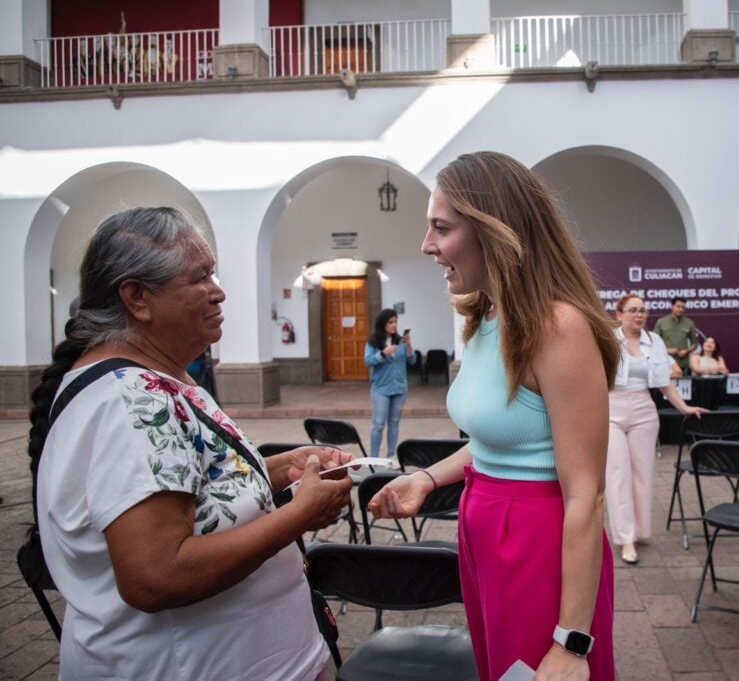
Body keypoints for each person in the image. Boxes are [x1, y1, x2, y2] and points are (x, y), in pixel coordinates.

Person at [29, 207, 355, 679]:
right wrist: (298, 515)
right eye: (200, 278)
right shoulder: (131, 400)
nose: (219, 291)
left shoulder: (162, 379)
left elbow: (193, 493)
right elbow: (158, 575)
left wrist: (281, 469)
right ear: (138, 298)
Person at [369, 151, 617, 680]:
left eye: (441, 227)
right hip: (483, 528)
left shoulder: (559, 327)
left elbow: (586, 493)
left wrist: (572, 642)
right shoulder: (486, 315)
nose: (426, 245)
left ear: (494, 230)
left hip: (538, 541)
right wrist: (428, 479)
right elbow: (499, 440)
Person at [609, 294, 705, 565]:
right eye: (632, 310)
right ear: (619, 314)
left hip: (644, 410)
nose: (638, 315)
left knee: (643, 474)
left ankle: (639, 531)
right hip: (611, 410)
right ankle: (625, 538)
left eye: (642, 310)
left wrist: (684, 408)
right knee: (618, 474)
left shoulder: (656, 341)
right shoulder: (607, 340)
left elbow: (665, 384)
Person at [364, 309, 416, 458]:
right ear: (383, 324)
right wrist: (383, 353)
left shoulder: (400, 341)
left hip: (399, 388)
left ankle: (391, 457)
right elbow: (368, 361)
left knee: (394, 422)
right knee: (379, 424)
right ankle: (374, 458)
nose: (394, 325)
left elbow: (412, 361)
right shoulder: (373, 342)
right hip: (381, 388)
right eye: (390, 322)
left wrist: (410, 346)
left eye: (395, 321)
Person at [653, 297, 699, 372]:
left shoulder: (689, 323)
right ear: (672, 306)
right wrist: (666, 350)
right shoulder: (661, 322)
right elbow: (654, 342)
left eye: (683, 307)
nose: (681, 309)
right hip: (665, 363)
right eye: (678, 306)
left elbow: (695, 344)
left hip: (683, 364)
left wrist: (687, 351)